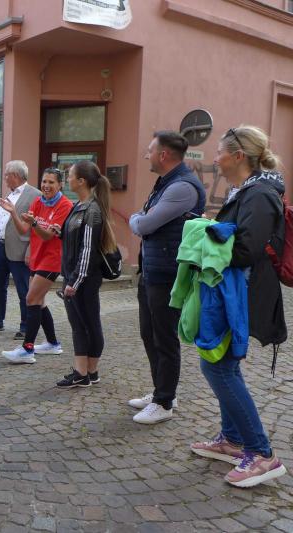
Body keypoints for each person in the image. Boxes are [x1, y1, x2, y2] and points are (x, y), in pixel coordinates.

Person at [188, 126, 287, 488]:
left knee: (218, 367)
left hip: (242, 294)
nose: (215, 159)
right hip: (232, 291)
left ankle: (262, 454)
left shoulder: (259, 194)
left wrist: (207, 232)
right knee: (220, 363)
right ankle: (232, 440)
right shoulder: (247, 190)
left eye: (219, 152)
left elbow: (246, 249)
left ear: (238, 156)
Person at [127, 131, 207, 424]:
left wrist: (138, 220)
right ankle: (161, 391)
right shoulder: (165, 184)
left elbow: (144, 223)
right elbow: (143, 217)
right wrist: (140, 218)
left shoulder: (182, 187)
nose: (146, 155)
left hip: (168, 273)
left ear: (163, 155)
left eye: (150, 150)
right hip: (152, 270)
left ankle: (165, 402)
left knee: (164, 337)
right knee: (149, 333)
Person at [1, 168, 73, 363]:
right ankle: (52, 344)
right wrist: (13, 213)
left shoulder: (65, 205)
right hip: (37, 257)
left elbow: (48, 235)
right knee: (39, 302)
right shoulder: (38, 201)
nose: (46, 186)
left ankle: (27, 349)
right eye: (44, 181)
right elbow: (23, 230)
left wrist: (34, 224)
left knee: (31, 298)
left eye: (51, 182)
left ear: (60, 185)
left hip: (52, 259)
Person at [55, 160, 117, 388]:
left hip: (83, 280)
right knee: (81, 324)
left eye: (70, 175)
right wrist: (60, 232)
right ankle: (88, 372)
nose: (67, 178)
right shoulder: (80, 205)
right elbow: (77, 239)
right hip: (75, 276)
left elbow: (88, 250)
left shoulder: (91, 210)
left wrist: (75, 282)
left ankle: (83, 373)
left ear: (81, 181)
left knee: (87, 324)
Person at [0, 161, 41, 339]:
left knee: (24, 290)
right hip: (1, 247)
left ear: (15, 175)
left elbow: (36, 228)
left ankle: (26, 326)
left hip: (20, 249)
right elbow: (1, 221)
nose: (5, 178)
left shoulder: (35, 195)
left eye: (7, 174)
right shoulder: (10, 194)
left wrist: (30, 250)